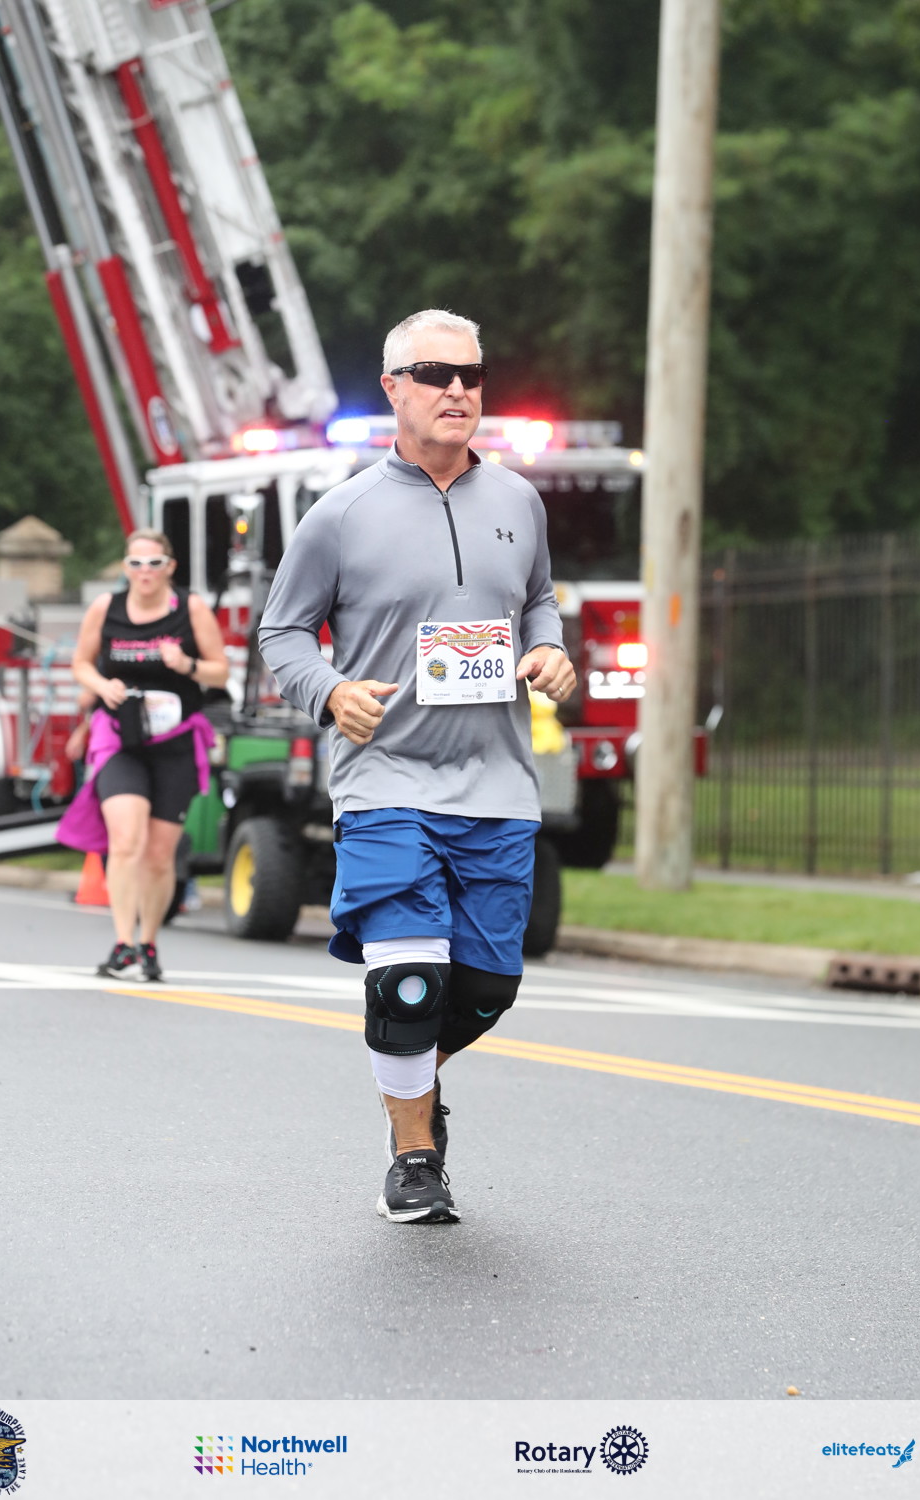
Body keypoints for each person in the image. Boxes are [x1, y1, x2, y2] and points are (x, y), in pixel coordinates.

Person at [259, 309, 575, 1223]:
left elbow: (539, 601)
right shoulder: (342, 513)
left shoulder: (518, 500)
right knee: (407, 986)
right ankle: (413, 1157)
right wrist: (329, 692)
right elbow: (282, 632)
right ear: (393, 387)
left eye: (472, 375)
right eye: (435, 374)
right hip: (385, 781)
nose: (458, 390)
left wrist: (550, 649)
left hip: (497, 786)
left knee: (485, 990)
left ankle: (408, 1079)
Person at [61, 528, 228, 981]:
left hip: (175, 742)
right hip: (121, 739)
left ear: (170, 567)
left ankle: (148, 943)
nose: (145, 572)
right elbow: (80, 663)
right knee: (126, 840)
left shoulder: (190, 608)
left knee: (158, 854)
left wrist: (187, 665)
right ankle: (122, 944)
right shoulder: (106, 608)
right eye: (136, 564)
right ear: (125, 568)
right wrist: (103, 686)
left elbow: (220, 670)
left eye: (154, 563)